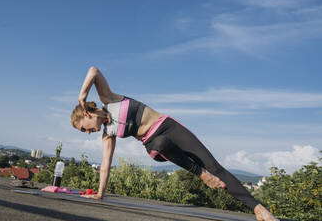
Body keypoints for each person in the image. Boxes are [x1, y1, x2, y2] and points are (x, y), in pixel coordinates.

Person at [71, 66, 279, 221]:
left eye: (84, 128)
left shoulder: (109, 99)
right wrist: (100, 193)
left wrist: (82, 94)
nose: (88, 133)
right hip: (155, 145)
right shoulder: (108, 134)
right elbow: (106, 164)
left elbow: (94, 71)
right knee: (160, 143)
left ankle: (258, 208)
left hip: (168, 126)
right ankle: (201, 174)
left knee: (215, 167)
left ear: (87, 113)